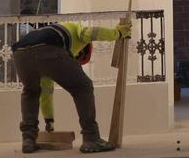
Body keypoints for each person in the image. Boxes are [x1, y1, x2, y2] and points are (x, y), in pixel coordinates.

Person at [12, 18, 131, 154]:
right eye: (79, 59)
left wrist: (49, 120)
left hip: (20, 53)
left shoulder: (53, 31)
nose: (76, 62)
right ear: (83, 51)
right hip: (48, 48)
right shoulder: (77, 29)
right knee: (83, 87)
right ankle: (91, 138)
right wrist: (117, 33)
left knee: (31, 92)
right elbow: (92, 33)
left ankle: (28, 139)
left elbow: (47, 91)